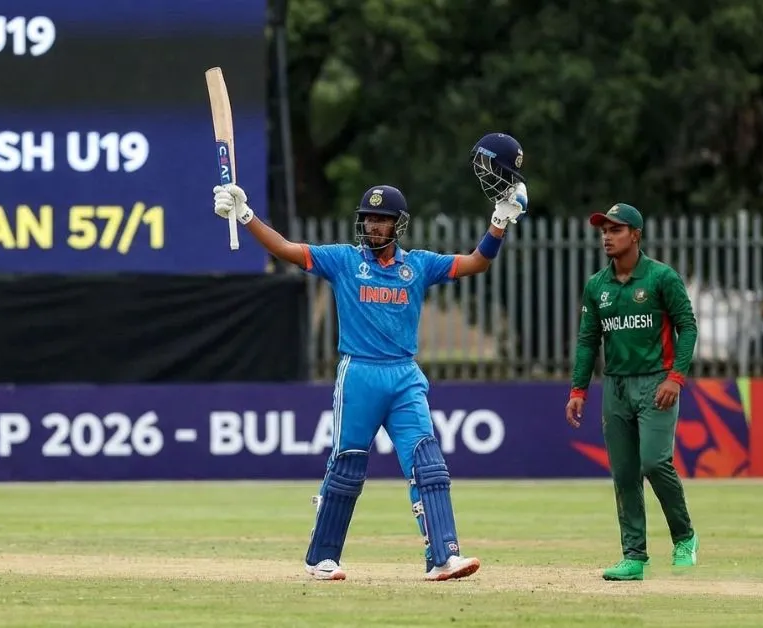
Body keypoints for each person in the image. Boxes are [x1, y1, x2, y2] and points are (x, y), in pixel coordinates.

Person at [212, 132, 529, 582]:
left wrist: (500, 219)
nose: (374, 226)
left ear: (398, 224)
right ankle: (322, 557)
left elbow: (477, 262)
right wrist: (244, 214)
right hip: (358, 373)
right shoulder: (343, 260)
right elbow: (284, 249)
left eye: (382, 220)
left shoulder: (418, 264)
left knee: (428, 462)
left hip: (404, 376)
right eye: (369, 219)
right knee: (347, 467)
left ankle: (443, 557)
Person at [565, 202, 700, 581]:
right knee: (624, 473)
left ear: (635, 235)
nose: (607, 236)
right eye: (603, 230)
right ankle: (634, 557)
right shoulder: (597, 286)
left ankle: (685, 536)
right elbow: (588, 340)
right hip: (616, 386)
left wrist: (676, 377)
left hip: (657, 381)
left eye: (616, 230)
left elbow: (687, 327)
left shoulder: (661, 278)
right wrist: (579, 389)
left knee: (655, 462)